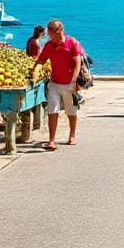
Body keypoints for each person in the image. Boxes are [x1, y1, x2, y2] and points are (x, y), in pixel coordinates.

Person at [32, 20, 84, 151]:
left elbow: (77, 62)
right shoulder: (49, 46)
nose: (50, 36)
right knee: (52, 111)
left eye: (52, 34)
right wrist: (35, 70)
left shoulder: (72, 42)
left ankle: (72, 135)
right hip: (54, 83)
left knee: (71, 111)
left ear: (59, 32)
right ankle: (51, 140)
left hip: (69, 83)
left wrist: (73, 81)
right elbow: (41, 60)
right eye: (49, 34)